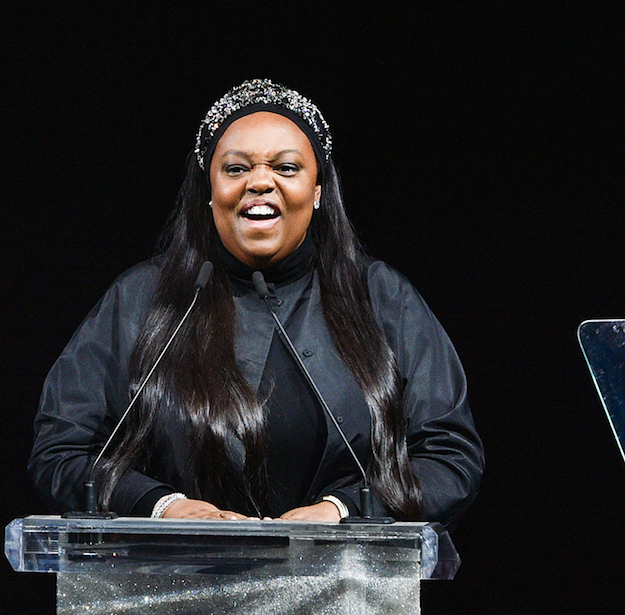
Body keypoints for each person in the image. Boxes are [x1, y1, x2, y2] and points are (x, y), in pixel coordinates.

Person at [28, 79, 484, 525]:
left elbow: (449, 457)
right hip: (174, 582)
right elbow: (60, 450)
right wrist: (160, 506)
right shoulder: (142, 298)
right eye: (236, 168)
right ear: (209, 191)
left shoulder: (382, 297)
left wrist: (345, 509)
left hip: (349, 586)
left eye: (285, 168)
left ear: (319, 190)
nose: (260, 183)